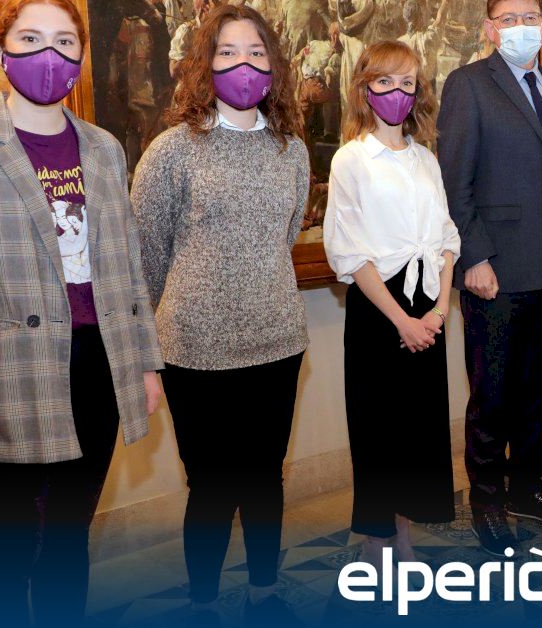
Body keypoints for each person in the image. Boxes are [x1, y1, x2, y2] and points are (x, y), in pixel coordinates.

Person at [0, 0, 165, 625]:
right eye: (30, 39)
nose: (49, 55)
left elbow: (126, 264)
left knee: (67, 548)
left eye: (65, 41)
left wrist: (145, 364)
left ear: (81, 55)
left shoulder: (104, 149)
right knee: (6, 555)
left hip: (95, 370)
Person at [131, 4, 311, 624]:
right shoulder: (171, 151)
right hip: (195, 350)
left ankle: (264, 593)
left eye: (256, 52)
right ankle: (203, 604)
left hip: (277, 343)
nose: (243, 64)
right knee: (210, 488)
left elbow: (284, 235)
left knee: (265, 478)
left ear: (274, 65)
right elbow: (146, 257)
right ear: (204, 63)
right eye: (228, 52)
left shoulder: (291, 150)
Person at [438, 0, 542, 556]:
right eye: (507, 19)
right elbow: (455, 183)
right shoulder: (469, 85)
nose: (520, 27)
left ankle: (528, 489)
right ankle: (487, 504)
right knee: (494, 397)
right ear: (489, 29)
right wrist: (474, 257)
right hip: (497, 270)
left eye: (529, 17)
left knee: (539, 393)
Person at [324, 40, 459, 567]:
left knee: (417, 429)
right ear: (365, 89)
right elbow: (349, 251)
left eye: (407, 83)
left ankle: (404, 531)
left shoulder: (426, 159)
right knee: (378, 428)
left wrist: (438, 312)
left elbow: (447, 238)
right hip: (380, 308)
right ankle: (376, 538)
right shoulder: (351, 159)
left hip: (429, 305)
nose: (397, 92)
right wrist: (402, 320)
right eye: (385, 81)